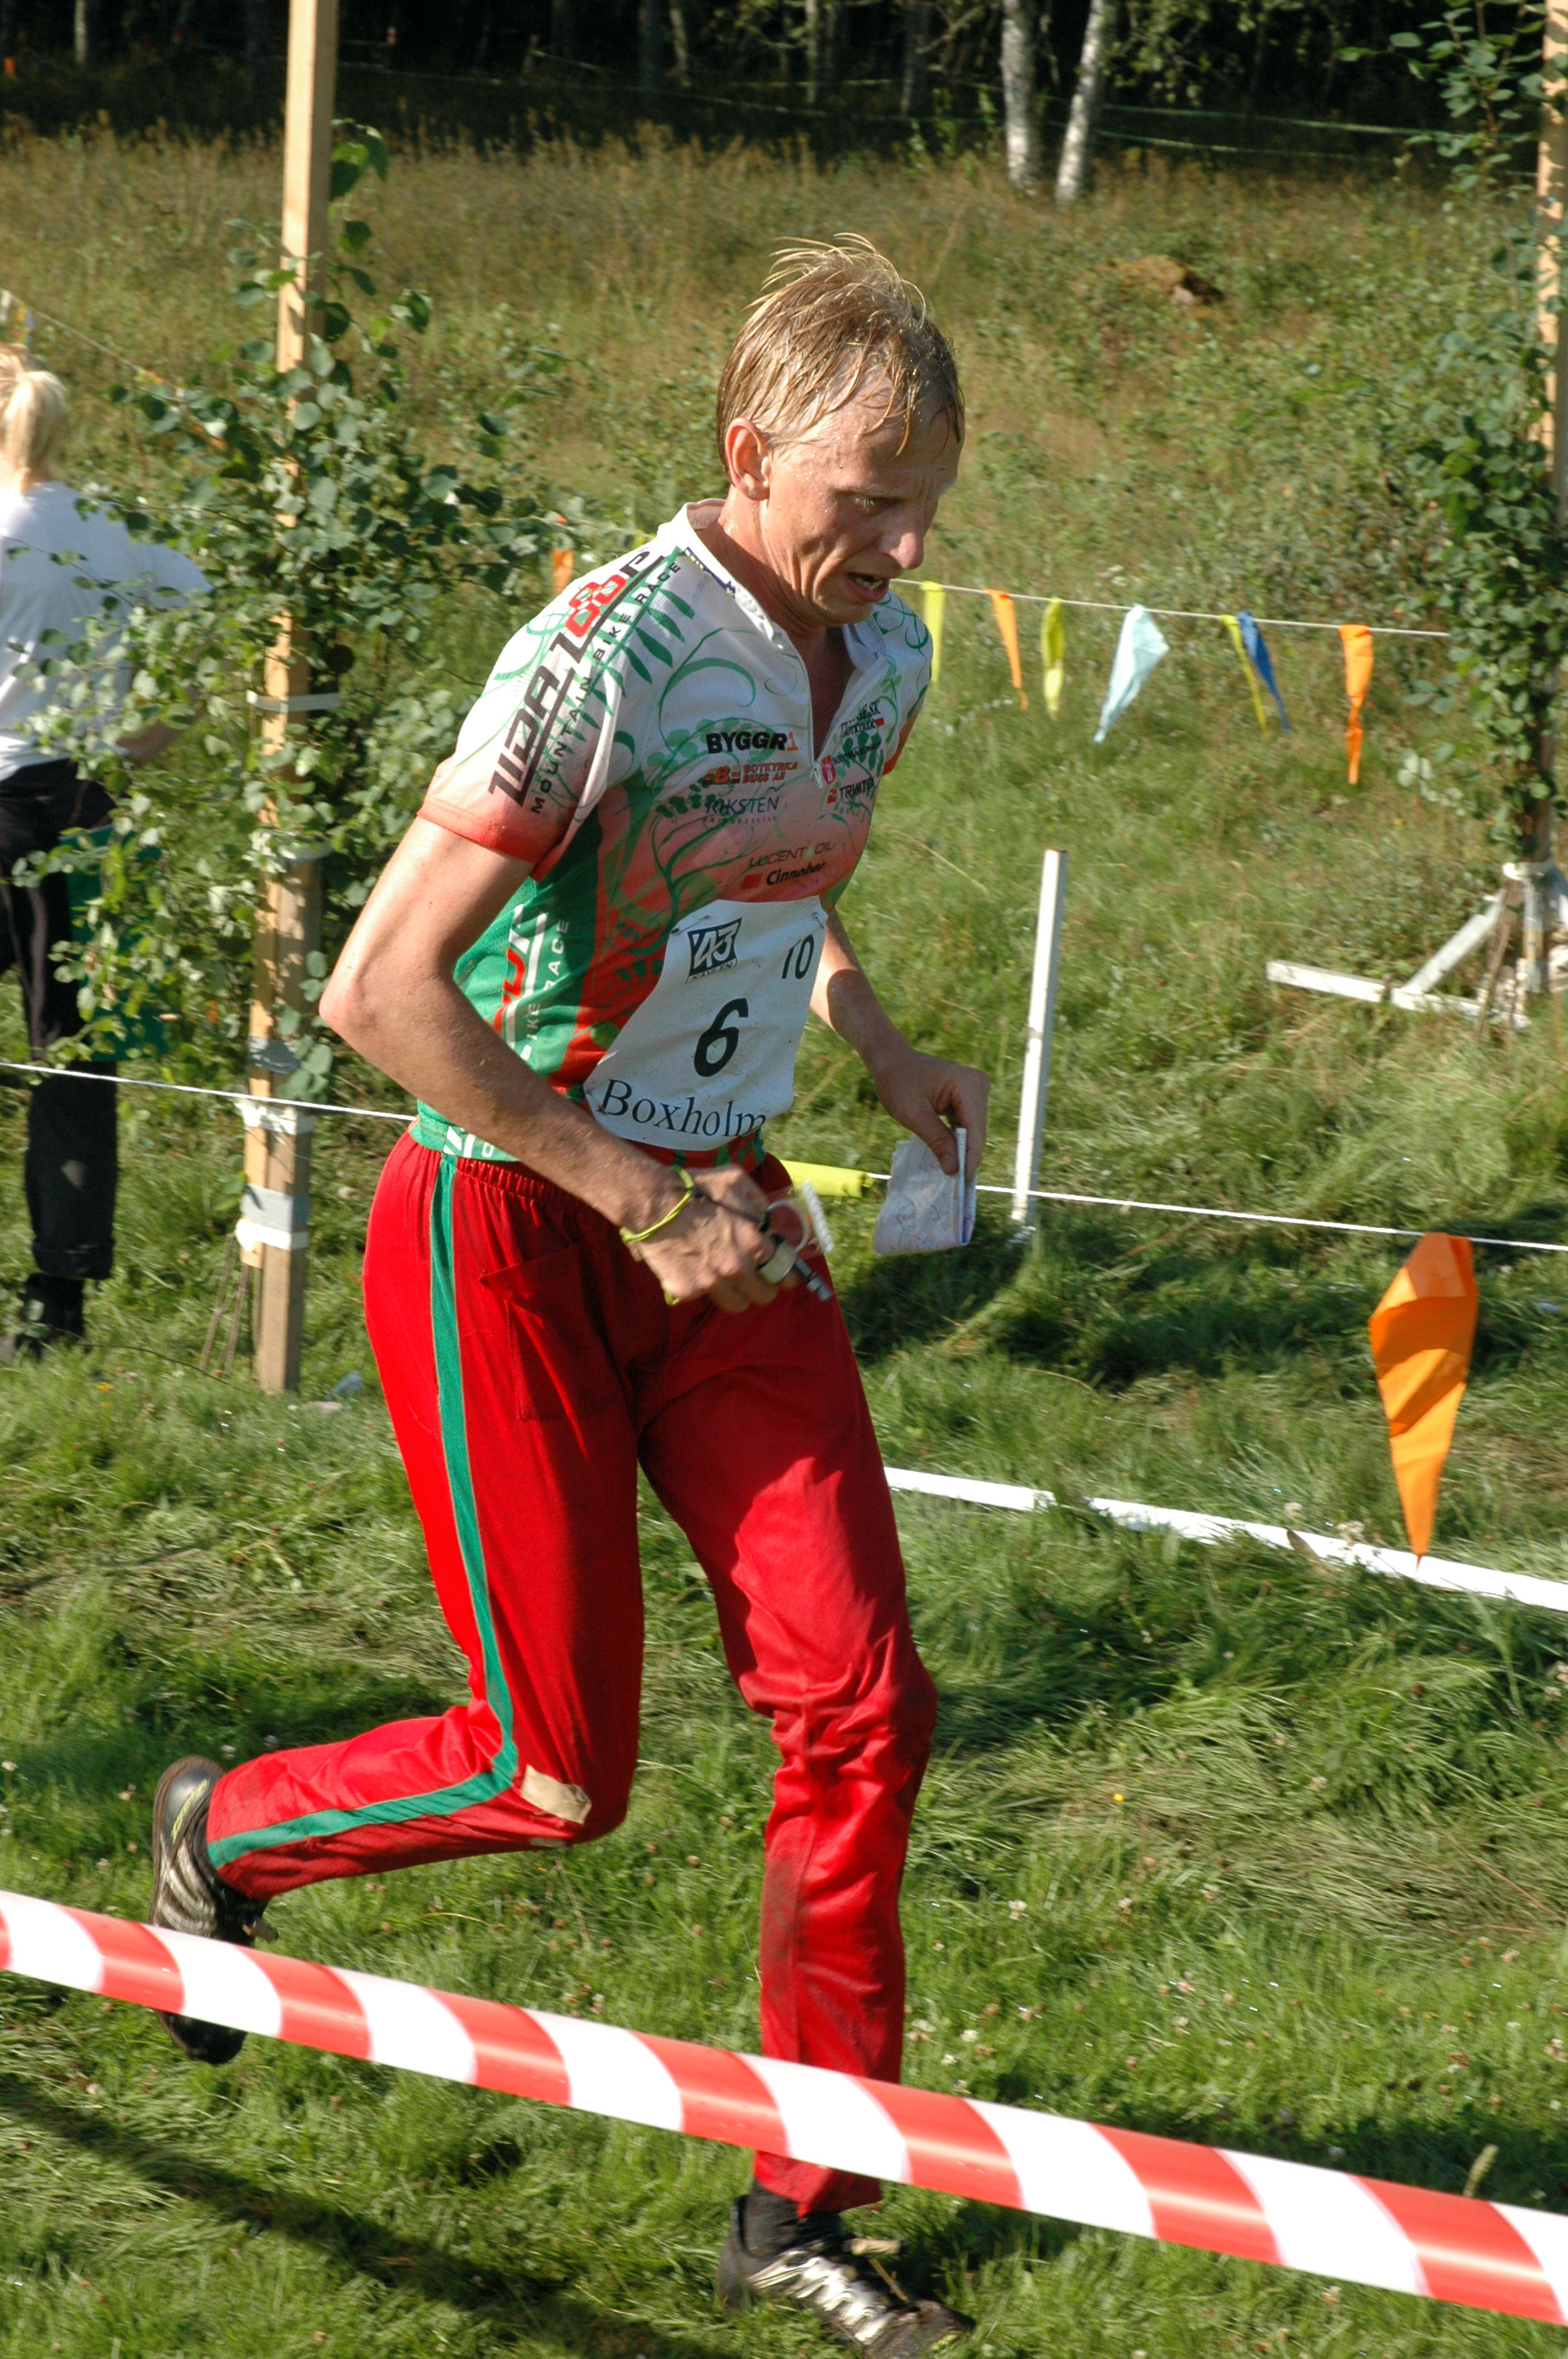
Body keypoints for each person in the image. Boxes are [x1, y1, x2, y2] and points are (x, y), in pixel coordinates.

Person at [149, 239, 988, 2356]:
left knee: (861, 1702)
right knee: (552, 1771)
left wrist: (874, 1045)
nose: (902, 549)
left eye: (927, 508)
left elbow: (773, 876)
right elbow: (377, 991)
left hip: (722, 1227)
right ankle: (228, 1829)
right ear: (750, 452)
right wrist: (629, 1193)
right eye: (867, 502)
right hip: (506, 1222)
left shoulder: (882, 656)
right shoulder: (604, 649)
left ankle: (802, 2199)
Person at [0, 346, 205, 1353]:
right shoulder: (117, 529)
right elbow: (212, 623)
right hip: (88, 803)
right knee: (74, 1052)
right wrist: (151, 735)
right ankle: (59, 1302)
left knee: (68, 1049)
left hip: (5, 795)